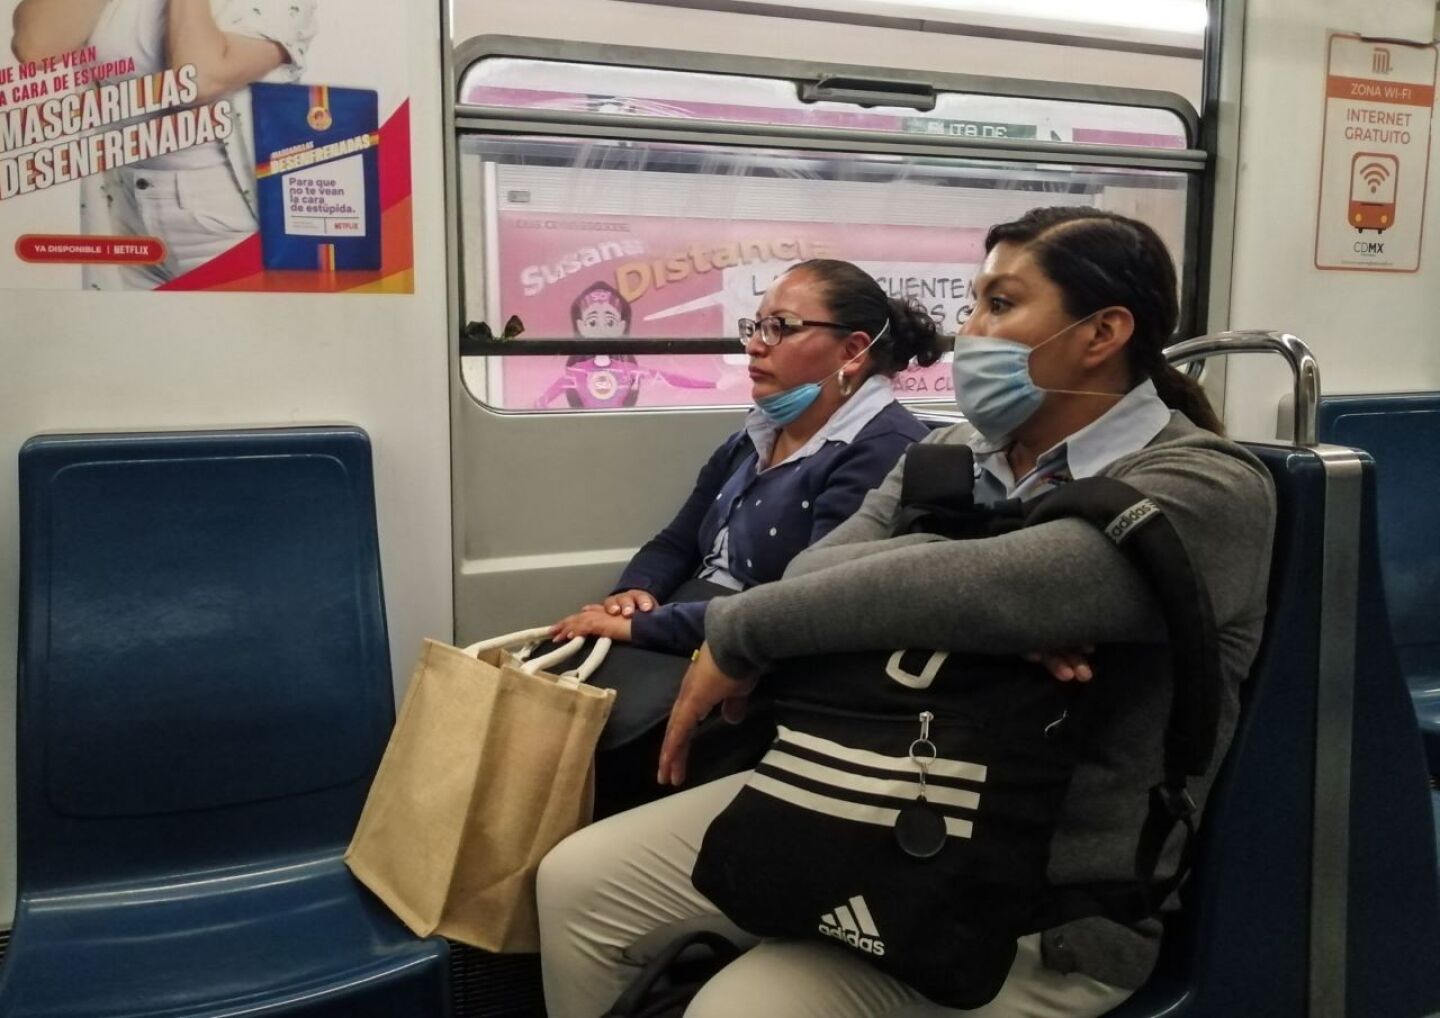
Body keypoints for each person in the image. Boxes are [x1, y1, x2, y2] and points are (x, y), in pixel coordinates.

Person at [536, 207, 1277, 1018]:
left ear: (1102, 332)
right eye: (974, 304)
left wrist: (937, 598)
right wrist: (969, 612)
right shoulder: (949, 455)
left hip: (1039, 894)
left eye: (1000, 304)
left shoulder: (1206, 487)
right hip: (863, 787)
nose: (969, 331)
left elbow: (994, 591)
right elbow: (816, 575)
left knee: (747, 1005)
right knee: (577, 882)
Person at [549, 259, 945, 658]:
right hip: (688, 626)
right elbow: (677, 542)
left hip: (754, 654)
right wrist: (635, 593)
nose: (754, 345)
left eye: (780, 327)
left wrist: (644, 627)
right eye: (755, 327)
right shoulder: (756, 436)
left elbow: (803, 605)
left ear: (853, 352)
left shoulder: (881, 452)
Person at [11, 0, 319, 289]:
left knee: (230, 328)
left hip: (228, 216)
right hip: (124, 208)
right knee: (128, 329)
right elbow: (36, 46)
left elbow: (197, 80)